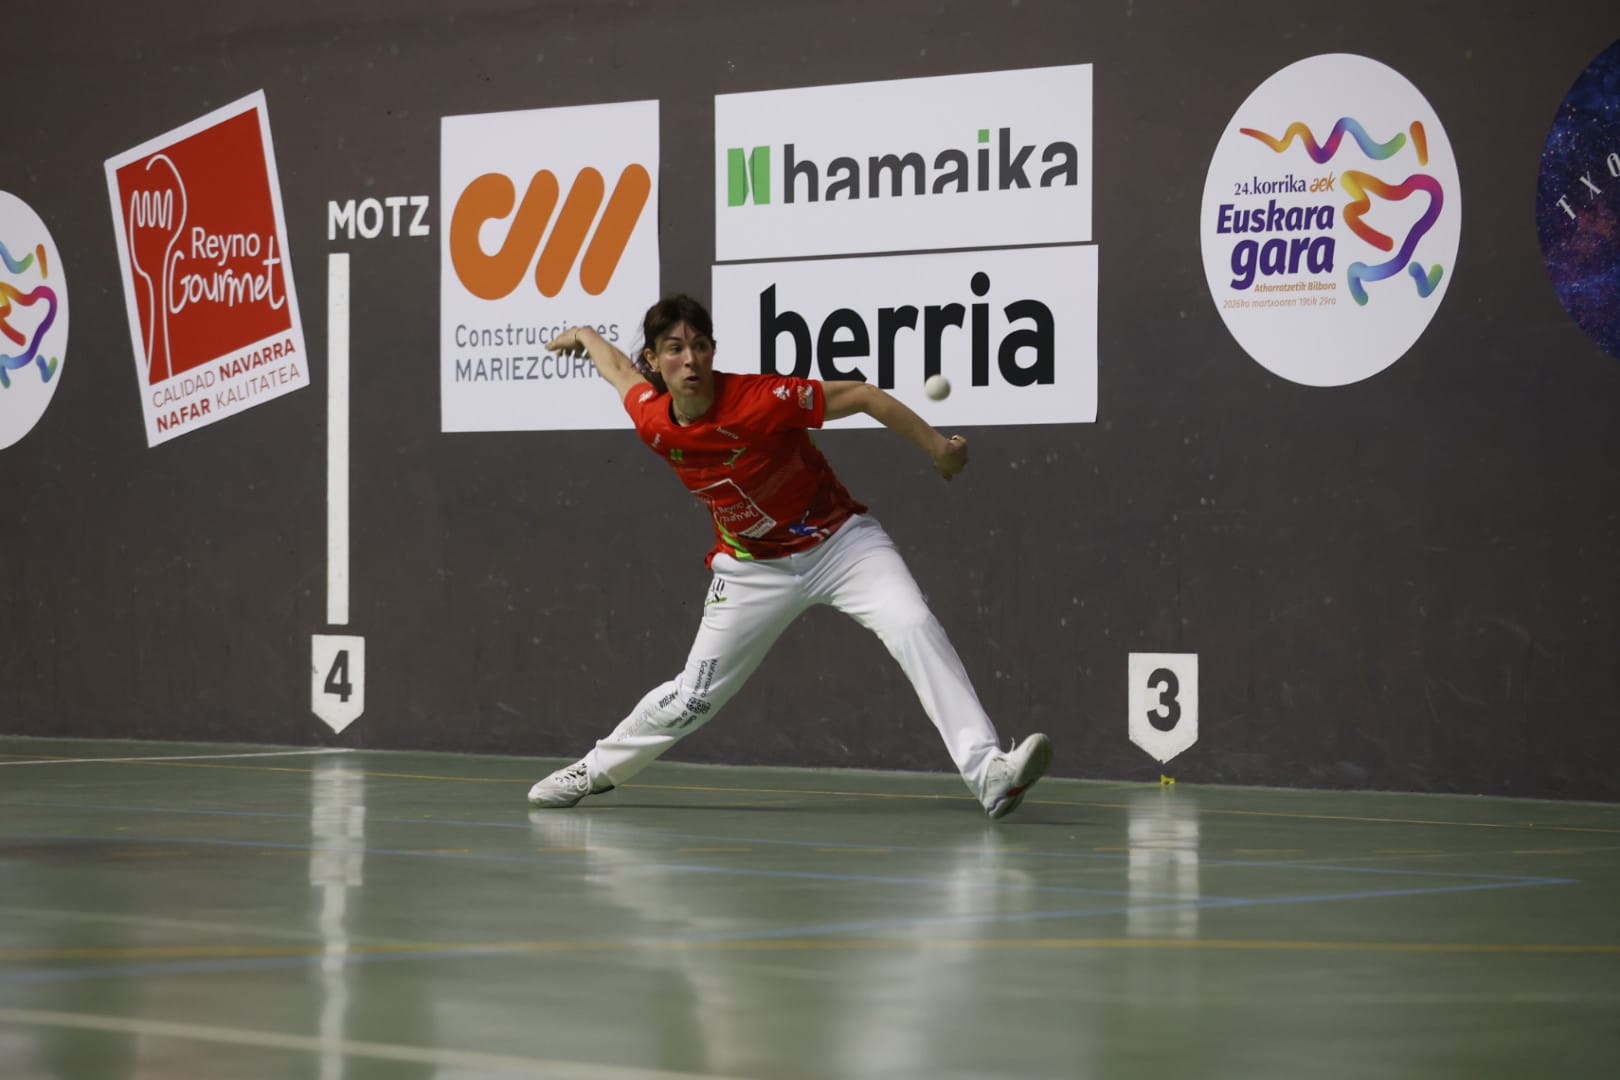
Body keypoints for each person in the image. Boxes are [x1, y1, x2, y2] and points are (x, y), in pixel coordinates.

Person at [528, 294, 1052, 819]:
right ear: (654, 359)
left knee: (912, 623)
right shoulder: (654, 421)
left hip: (840, 546)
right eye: (674, 349)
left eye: (700, 346)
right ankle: (592, 771)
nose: (690, 360)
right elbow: (619, 371)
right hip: (751, 570)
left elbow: (862, 395)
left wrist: (938, 447)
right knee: (693, 698)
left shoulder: (762, 399)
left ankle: (989, 773)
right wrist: (585, 336)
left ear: (712, 351)